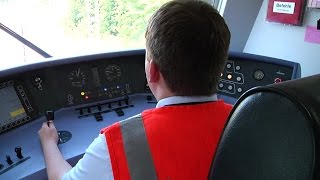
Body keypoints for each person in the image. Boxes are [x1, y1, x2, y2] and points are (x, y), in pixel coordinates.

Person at [38, 0, 232, 179]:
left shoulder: (115, 144)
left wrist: (49, 142)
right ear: (220, 70)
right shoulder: (246, 120)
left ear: (152, 70)